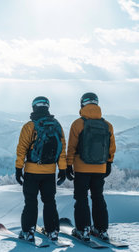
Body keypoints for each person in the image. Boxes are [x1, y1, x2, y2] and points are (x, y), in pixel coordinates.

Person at [15, 96, 67, 242]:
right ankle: (52, 232)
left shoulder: (29, 126)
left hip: (32, 171)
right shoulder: (57, 125)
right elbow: (62, 150)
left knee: (31, 202)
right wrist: (62, 169)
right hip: (50, 172)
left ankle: (28, 231)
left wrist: (19, 169)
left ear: (34, 108)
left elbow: (22, 149)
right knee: (50, 202)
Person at [66, 92, 116, 241]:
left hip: (82, 168)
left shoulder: (78, 124)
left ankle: (83, 229)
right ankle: (101, 230)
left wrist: (68, 165)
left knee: (81, 199)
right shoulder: (107, 125)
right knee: (98, 198)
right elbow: (111, 148)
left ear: (82, 104)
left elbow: (72, 147)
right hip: (100, 168)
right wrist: (109, 163)